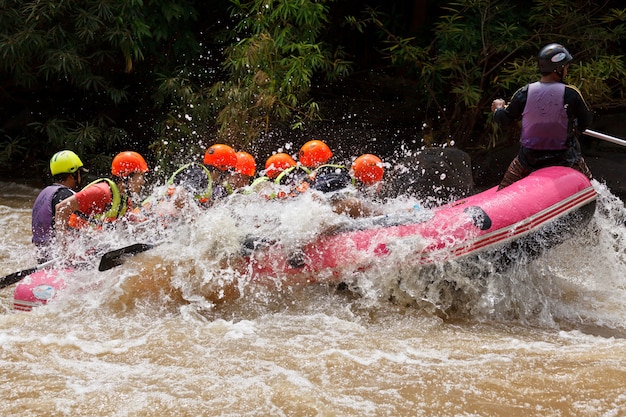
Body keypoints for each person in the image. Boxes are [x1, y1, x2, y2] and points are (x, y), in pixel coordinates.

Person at [491, 43, 593, 190]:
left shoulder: (524, 93)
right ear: (558, 69)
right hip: (566, 159)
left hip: (529, 160)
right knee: (594, 188)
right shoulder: (571, 94)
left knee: (503, 190)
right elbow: (586, 122)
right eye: (565, 67)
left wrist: (498, 109)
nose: (566, 70)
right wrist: (573, 128)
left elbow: (505, 119)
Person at [55, 151, 149, 244]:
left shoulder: (124, 201)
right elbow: (61, 208)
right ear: (127, 176)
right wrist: (63, 247)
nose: (143, 182)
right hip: (74, 240)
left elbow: (132, 225)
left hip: (89, 242)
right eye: (140, 176)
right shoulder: (101, 191)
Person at [31, 150, 88, 263]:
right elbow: (85, 224)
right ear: (73, 175)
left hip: (42, 255)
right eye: (79, 173)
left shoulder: (45, 192)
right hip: (57, 258)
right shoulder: (66, 195)